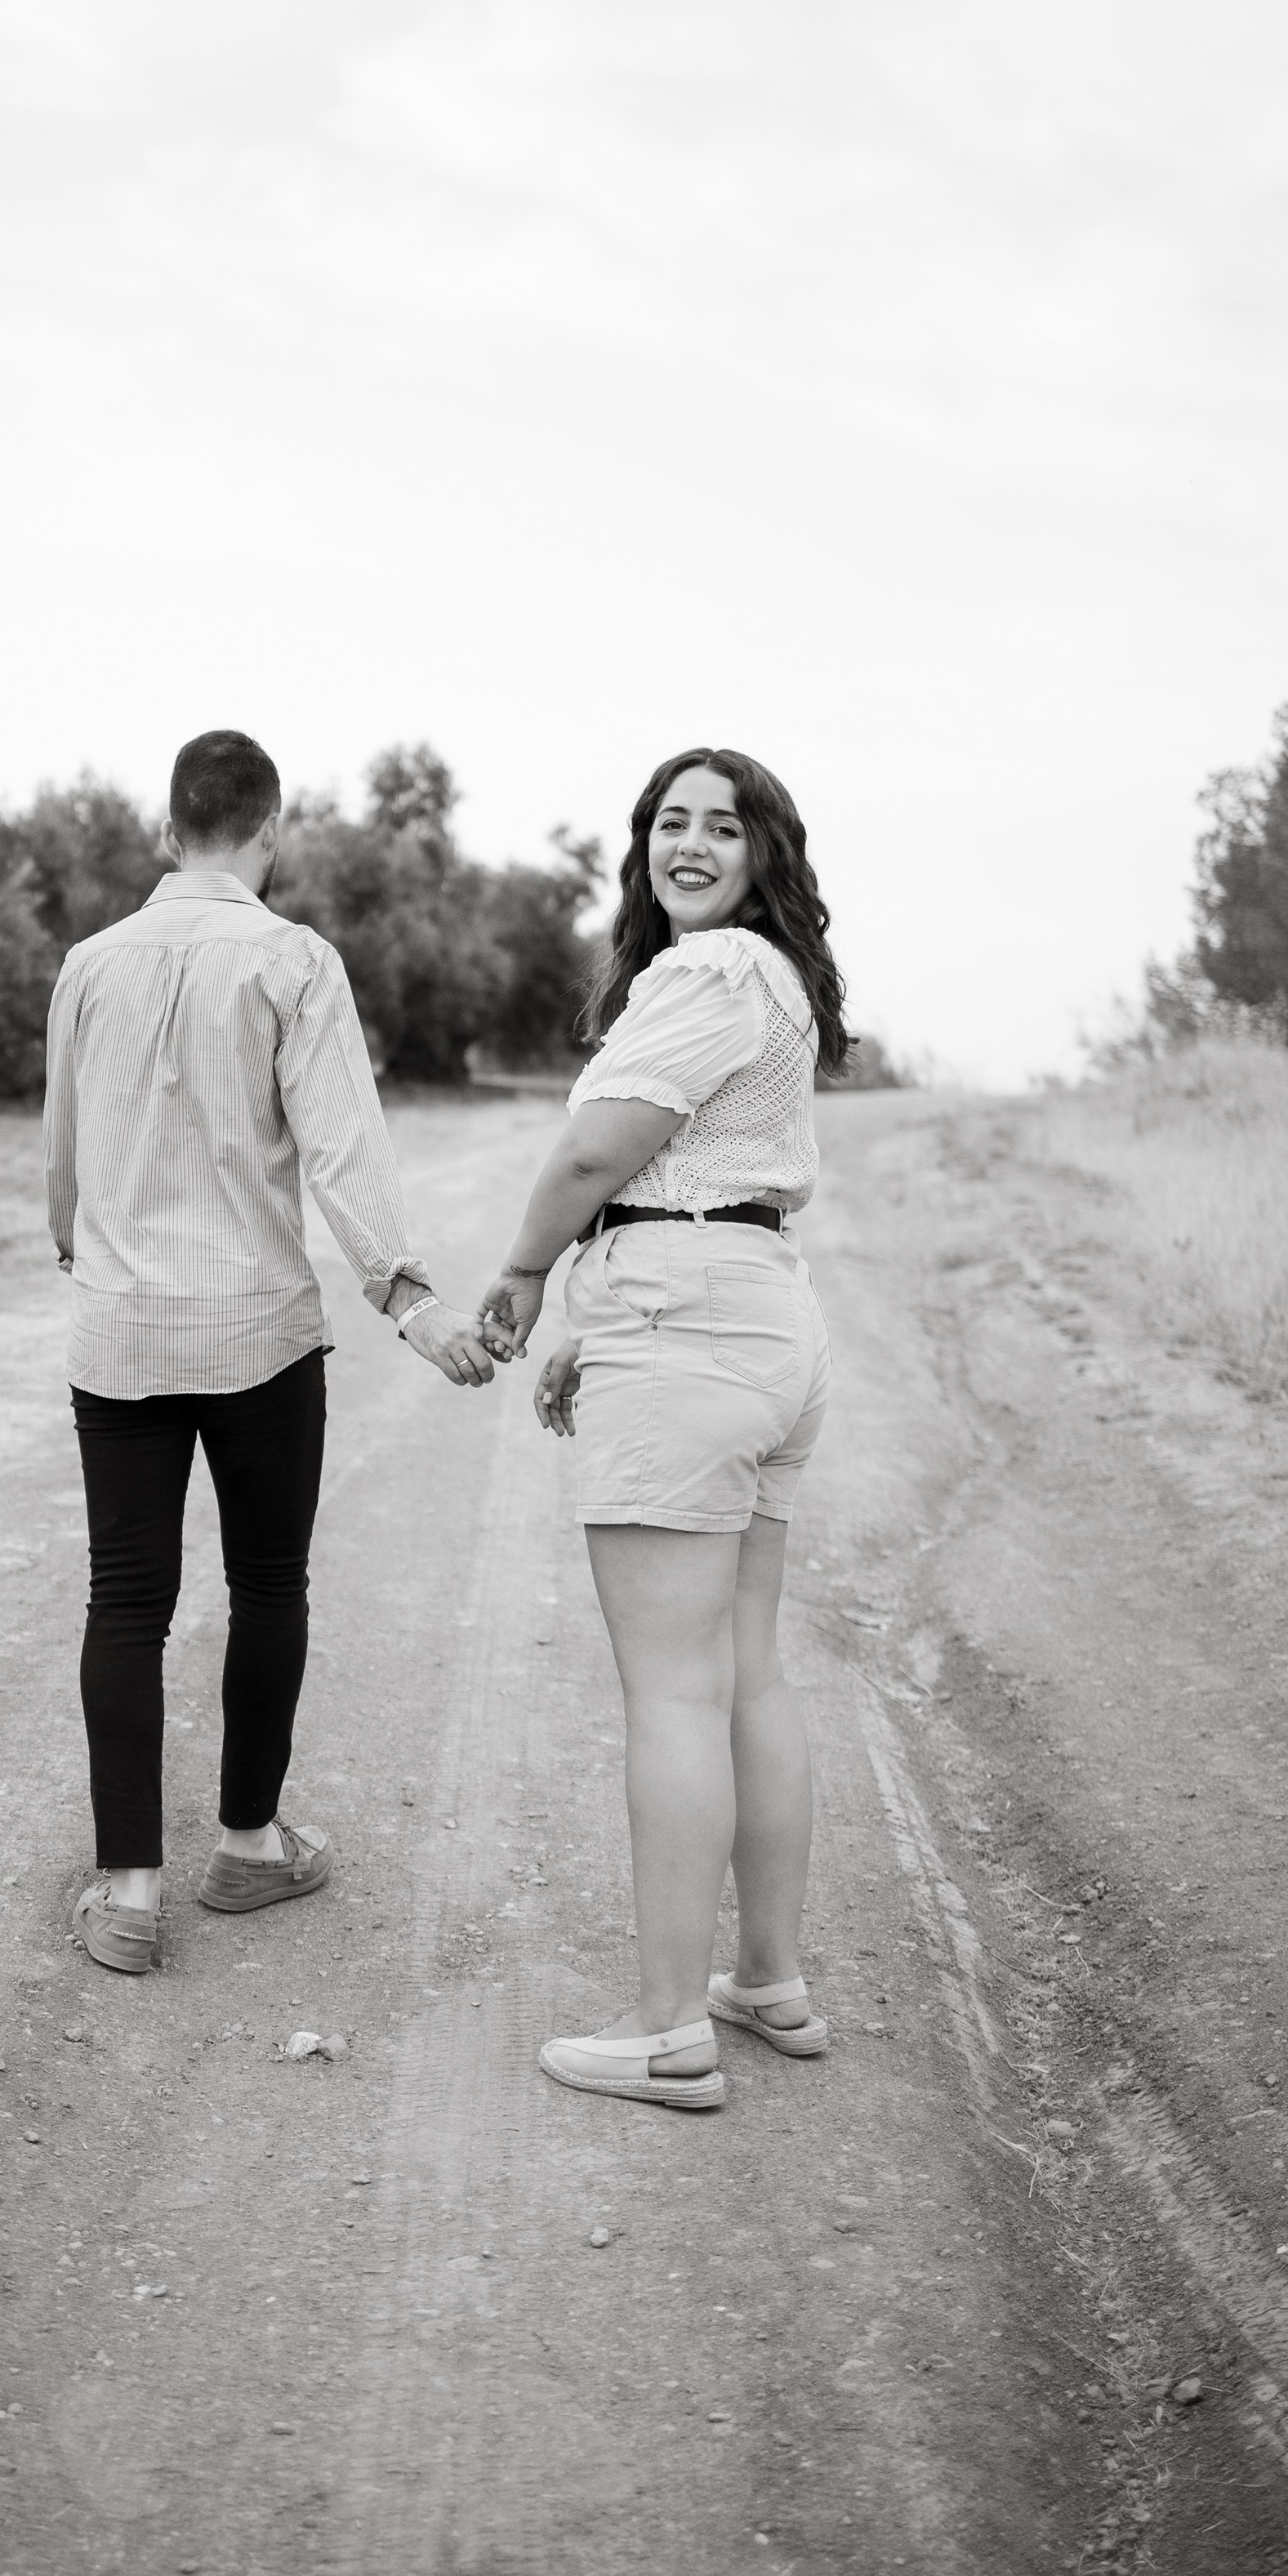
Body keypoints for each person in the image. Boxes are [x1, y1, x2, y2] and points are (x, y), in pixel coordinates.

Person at [46, 727, 503, 1975]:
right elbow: (344, 1151)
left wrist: (85, 1256)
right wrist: (408, 1298)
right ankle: (249, 1846)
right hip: (259, 1329)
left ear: (167, 827)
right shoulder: (295, 961)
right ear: (270, 830)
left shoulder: (89, 963)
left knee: (125, 1601)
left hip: (123, 1330)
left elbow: (65, 1160)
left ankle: (129, 1891)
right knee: (268, 1585)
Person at [476, 748, 845, 2109]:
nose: (690, 844)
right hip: (755, 1315)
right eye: (670, 824)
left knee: (676, 1690)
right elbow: (693, 1184)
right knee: (745, 1667)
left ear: (766, 852)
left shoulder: (706, 974)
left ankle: (669, 2033)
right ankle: (771, 1980)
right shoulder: (773, 979)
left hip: (692, 1330)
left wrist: (522, 1274)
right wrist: (599, 1309)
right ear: (643, 846)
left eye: (722, 825)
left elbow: (594, 1157)